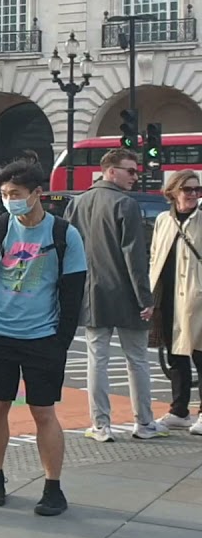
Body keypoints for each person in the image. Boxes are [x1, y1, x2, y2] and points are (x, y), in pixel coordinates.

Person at [0, 159, 87, 516]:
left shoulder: (64, 234)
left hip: (43, 337)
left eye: (16, 194)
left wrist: (59, 342)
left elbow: (73, 293)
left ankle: (53, 487)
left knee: (43, 411)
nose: (10, 200)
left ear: (38, 193)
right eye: (5, 194)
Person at [64, 149, 165, 441]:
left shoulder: (78, 203)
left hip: (92, 293)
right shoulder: (125, 204)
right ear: (111, 171)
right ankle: (144, 423)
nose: (136, 176)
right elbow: (134, 257)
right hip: (126, 294)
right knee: (137, 359)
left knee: (97, 359)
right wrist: (146, 299)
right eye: (130, 171)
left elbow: (70, 251)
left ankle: (100, 425)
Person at [149, 170, 202, 434]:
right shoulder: (163, 220)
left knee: (200, 355)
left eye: (197, 190)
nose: (193, 194)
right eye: (187, 189)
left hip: (197, 297)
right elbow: (155, 256)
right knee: (175, 356)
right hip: (167, 298)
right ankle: (179, 410)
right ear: (173, 192)